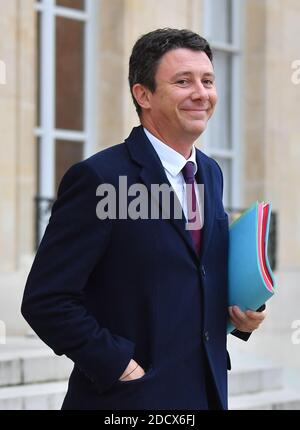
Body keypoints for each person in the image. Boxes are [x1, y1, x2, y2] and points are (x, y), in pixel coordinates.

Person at [21, 28, 266, 410]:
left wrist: (242, 313)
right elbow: (46, 300)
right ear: (143, 94)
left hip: (205, 392)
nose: (201, 93)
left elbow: (193, 270)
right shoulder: (100, 179)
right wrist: (118, 364)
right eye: (183, 81)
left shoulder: (210, 173)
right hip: (129, 401)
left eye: (208, 81)